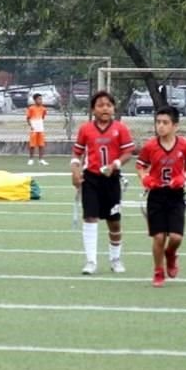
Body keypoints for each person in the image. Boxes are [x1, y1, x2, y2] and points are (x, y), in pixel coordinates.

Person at [71, 90, 135, 275]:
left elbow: (128, 153)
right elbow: (77, 153)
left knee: (114, 222)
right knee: (90, 217)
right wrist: (75, 171)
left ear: (113, 108)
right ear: (93, 110)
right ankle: (91, 261)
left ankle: (115, 258)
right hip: (91, 179)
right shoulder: (86, 129)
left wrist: (115, 164)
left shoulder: (120, 128)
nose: (105, 108)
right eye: (100, 105)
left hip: (111, 180)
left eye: (108, 105)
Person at [136, 105, 186, 287]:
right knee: (158, 237)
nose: (161, 126)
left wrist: (183, 176)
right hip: (156, 195)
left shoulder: (184, 145)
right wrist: (145, 178)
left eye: (165, 123)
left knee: (176, 237)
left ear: (175, 126)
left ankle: (171, 254)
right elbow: (140, 166)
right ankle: (158, 271)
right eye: (158, 122)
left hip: (176, 195)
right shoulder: (150, 146)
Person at [26, 93, 48, 166]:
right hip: (34, 128)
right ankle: (31, 159)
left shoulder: (43, 109)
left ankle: (41, 159)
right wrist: (31, 125)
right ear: (35, 100)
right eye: (39, 99)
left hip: (40, 128)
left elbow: (43, 117)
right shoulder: (31, 108)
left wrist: (39, 123)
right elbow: (28, 118)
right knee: (32, 145)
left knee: (41, 144)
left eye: (41, 99)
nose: (40, 101)